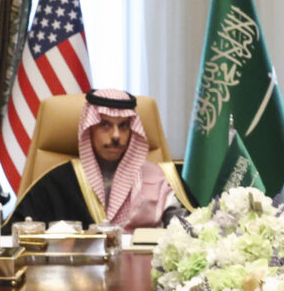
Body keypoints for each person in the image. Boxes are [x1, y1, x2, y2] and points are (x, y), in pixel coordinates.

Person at [10, 89, 188, 229]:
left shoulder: (158, 179)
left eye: (123, 126)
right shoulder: (58, 182)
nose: (116, 135)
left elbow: (184, 232)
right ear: (90, 129)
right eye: (105, 125)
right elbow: (16, 232)